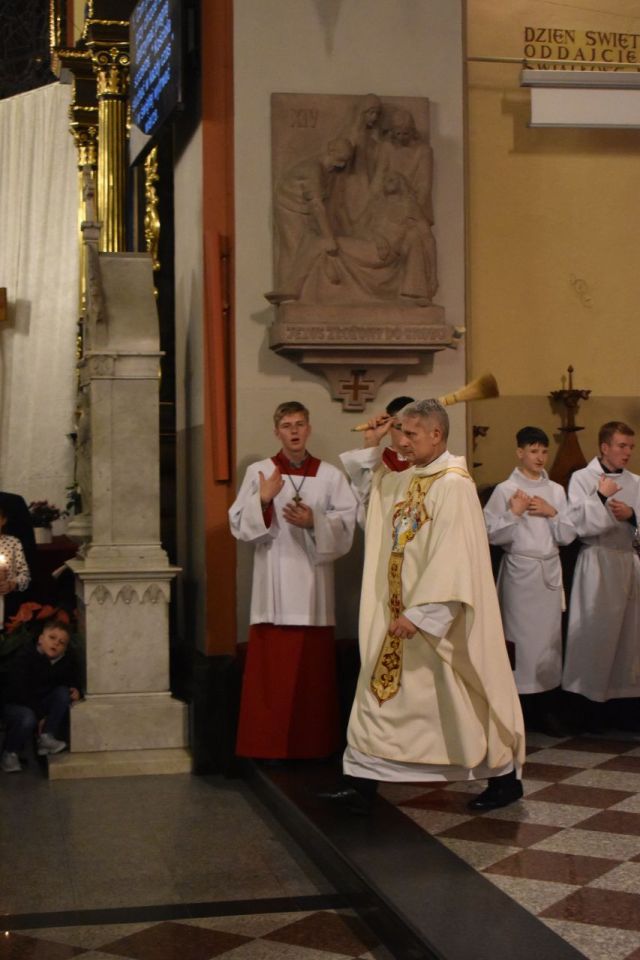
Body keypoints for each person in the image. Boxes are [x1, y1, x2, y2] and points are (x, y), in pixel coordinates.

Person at [322, 399, 525, 814]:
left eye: (411, 435)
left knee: (460, 700)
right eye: (400, 433)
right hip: (396, 614)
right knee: (380, 699)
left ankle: (504, 779)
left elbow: (456, 556)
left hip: (435, 620)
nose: (402, 442)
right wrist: (371, 443)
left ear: (437, 434)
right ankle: (360, 781)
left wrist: (423, 614)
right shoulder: (410, 476)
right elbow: (372, 502)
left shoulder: (454, 484)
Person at [229, 401, 357, 760]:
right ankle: (267, 747)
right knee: (273, 678)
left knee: (311, 680)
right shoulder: (260, 471)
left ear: (309, 429)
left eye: (300, 424)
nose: (294, 431)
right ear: (277, 432)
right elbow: (239, 525)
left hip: (314, 590)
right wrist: (263, 499)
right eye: (287, 426)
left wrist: (314, 522)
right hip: (273, 590)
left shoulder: (330, 475)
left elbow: (348, 525)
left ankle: (313, 747)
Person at [483, 427, 575, 734]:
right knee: (519, 641)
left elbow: (568, 534)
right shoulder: (505, 489)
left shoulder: (556, 490)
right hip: (520, 574)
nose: (540, 457)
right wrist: (514, 513)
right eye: (533, 451)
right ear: (520, 452)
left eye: (544, 451)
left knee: (548, 642)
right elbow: (490, 534)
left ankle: (546, 708)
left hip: (547, 572)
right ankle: (517, 710)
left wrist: (552, 512)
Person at [562, 421, 640, 725]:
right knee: (595, 635)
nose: (627, 452)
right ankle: (588, 709)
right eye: (621, 446)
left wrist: (632, 516)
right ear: (604, 447)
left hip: (627, 562)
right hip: (597, 563)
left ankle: (622, 709)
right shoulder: (583, 478)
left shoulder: (636, 481)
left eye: (631, 447)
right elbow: (575, 524)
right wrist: (602, 498)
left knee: (628, 639)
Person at [267, 139, 353, 304]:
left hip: (304, 211)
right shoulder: (312, 170)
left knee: (305, 247)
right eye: (339, 160)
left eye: (344, 162)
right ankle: (287, 292)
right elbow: (316, 205)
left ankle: (293, 291)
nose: (341, 166)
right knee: (294, 249)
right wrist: (328, 237)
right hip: (290, 208)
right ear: (330, 151)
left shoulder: (325, 172)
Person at [1, 619, 81, 773]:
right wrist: (40, 716)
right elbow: (19, 692)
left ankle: (46, 737)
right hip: (15, 704)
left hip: (39, 703)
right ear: (40, 639)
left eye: (62, 643)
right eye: (52, 638)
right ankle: (9, 753)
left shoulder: (66, 660)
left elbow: (71, 679)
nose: (56, 643)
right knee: (27, 717)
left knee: (63, 692)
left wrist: (76, 690)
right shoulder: (25, 656)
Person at [340, 396, 414, 527]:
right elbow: (364, 512)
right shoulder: (376, 461)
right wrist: (371, 441)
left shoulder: (429, 463)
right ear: (389, 427)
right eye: (399, 427)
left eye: (413, 428)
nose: (406, 435)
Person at [0, 503, 31, 628]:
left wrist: (12, 584)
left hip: (9, 602)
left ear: (3, 520)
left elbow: (24, 574)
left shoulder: (13, 543)